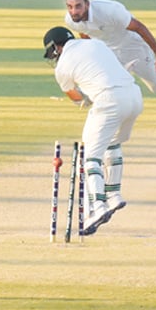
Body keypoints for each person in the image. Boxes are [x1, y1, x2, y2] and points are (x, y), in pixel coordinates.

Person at [43, 26, 143, 236]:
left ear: (57, 47)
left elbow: (74, 95)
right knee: (112, 143)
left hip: (109, 100)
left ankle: (97, 207)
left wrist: (85, 99)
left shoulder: (62, 67)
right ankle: (114, 195)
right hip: (134, 96)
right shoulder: (95, 44)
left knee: (90, 155)